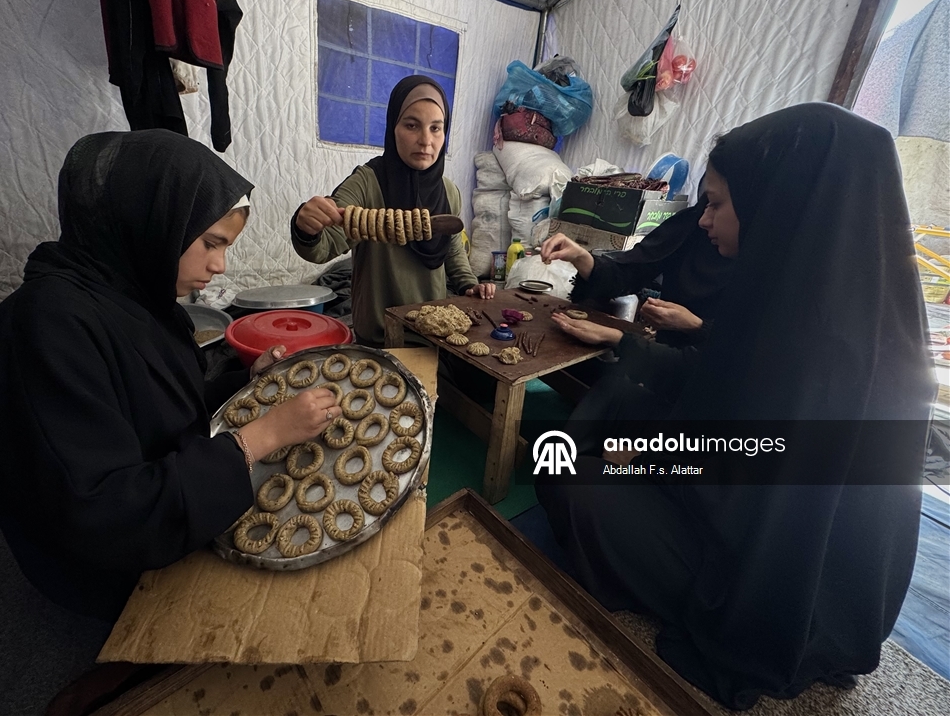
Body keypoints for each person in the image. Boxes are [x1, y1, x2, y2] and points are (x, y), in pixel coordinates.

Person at [538, 103, 934, 709]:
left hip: (770, 579)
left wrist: (651, 455)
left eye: (719, 203)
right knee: (612, 414)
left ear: (779, 202)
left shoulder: (823, 350)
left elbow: (748, 480)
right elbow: (723, 394)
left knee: (568, 474)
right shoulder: (807, 295)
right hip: (742, 490)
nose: (704, 220)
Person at [0, 130, 338, 621]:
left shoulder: (134, 297)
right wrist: (256, 439)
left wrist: (245, 382)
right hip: (110, 561)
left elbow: (151, 409)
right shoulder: (43, 332)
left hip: (171, 493)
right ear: (153, 219)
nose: (220, 266)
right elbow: (102, 514)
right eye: (210, 243)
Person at [290, 75, 494, 347]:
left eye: (436, 128)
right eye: (412, 125)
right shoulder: (367, 183)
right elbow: (324, 246)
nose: (425, 140)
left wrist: (470, 284)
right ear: (393, 127)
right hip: (379, 338)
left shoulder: (448, 191)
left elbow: (453, 248)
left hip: (433, 336)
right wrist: (306, 227)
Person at [541, 180, 734, 349]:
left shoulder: (760, 278)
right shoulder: (690, 226)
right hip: (659, 361)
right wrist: (580, 256)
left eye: (716, 204)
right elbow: (631, 272)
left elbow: (730, 353)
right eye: (707, 202)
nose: (704, 220)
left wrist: (696, 325)